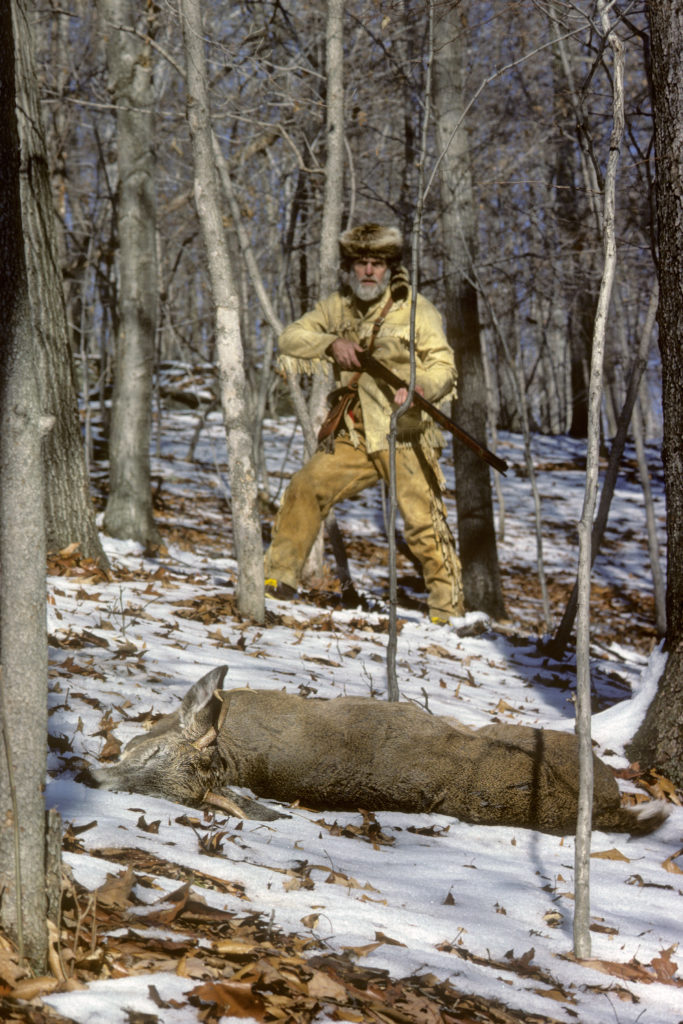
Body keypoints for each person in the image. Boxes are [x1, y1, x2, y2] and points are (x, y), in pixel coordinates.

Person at [264, 222, 464, 623]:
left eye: (377, 263)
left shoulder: (416, 309)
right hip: (354, 433)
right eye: (361, 263)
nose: (369, 271)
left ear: (390, 267)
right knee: (306, 486)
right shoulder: (337, 307)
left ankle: (449, 612)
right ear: (349, 267)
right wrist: (330, 344)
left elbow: (445, 366)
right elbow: (290, 338)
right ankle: (276, 581)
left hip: (406, 430)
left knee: (423, 520)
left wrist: (421, 385)